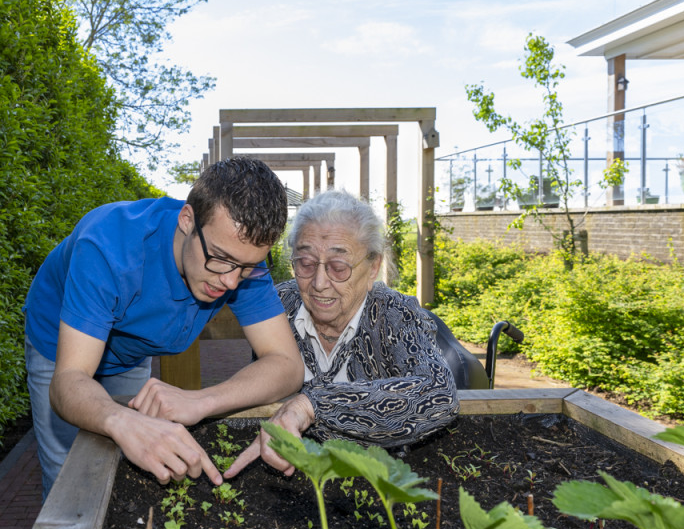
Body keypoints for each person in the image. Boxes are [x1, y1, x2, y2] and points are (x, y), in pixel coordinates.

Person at [23, 157, 305, 499]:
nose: (230, 281)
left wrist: (201, 401)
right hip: (58, 345)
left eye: (246, 267)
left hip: (131, 352)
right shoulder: (108, 248)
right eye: (220, 259)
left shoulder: (241, 261)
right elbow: (68, 380)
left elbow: (287, 365)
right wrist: (120, 420)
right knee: (68, 476)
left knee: (127, 467)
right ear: (187, 220)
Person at [225, 190, 458, 478]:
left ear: (373, 267)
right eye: (306, 264)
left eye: (338, 267)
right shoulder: (279, 307)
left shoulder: (394, 313)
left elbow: (438, 394)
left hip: (381, 482)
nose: (320, 283)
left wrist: (311, 404)